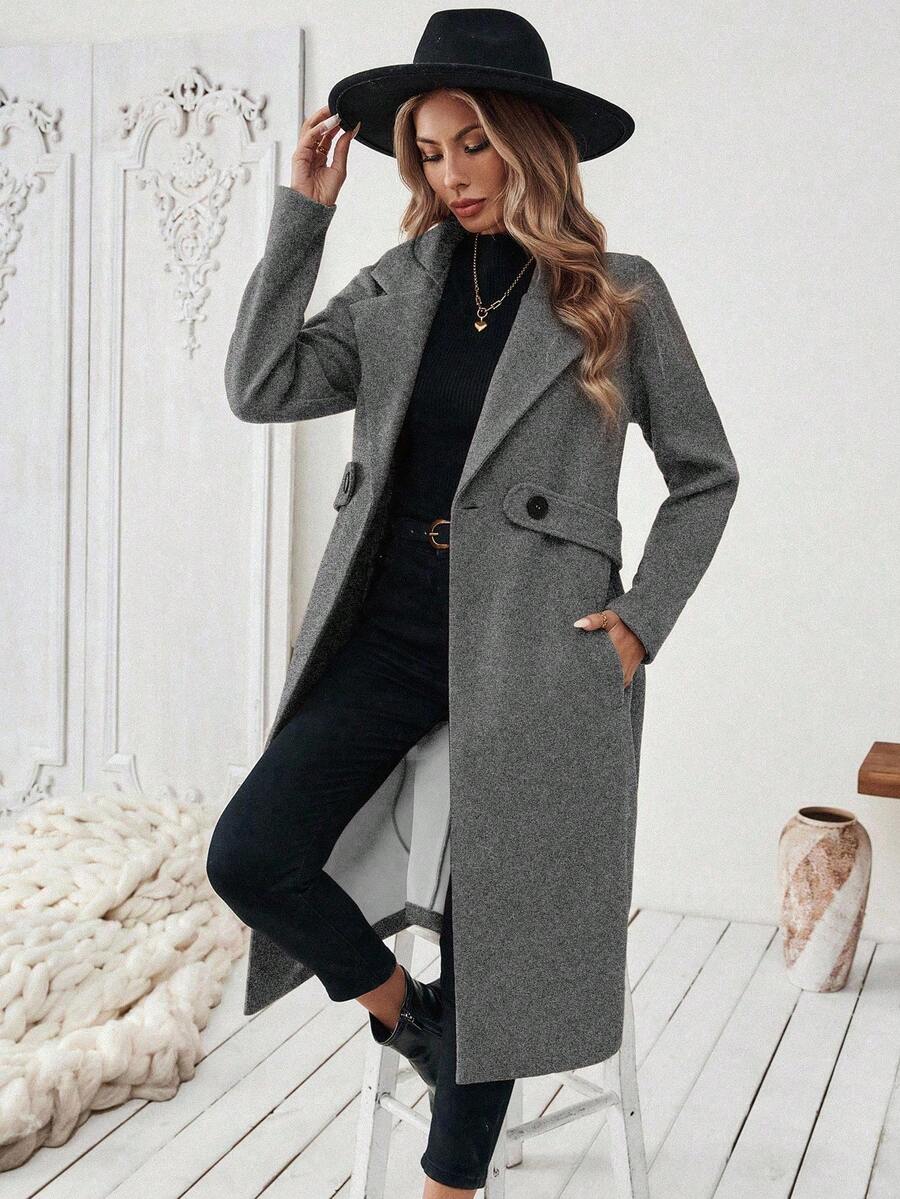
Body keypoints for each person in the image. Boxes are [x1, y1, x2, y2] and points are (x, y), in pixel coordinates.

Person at [207, 10, 739, 1196]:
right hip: (393, 626)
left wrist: (642, 620)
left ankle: (450, 1183)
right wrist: (302, 217)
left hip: (539, 646)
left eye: (474, 144)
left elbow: (706, 474)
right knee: (251, 850)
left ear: (530, 142)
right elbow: (261, 383)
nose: (450, 173)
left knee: (498, 929)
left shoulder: (619, 293)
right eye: (430, 150)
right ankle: (416, 1019)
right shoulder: (400, 284)